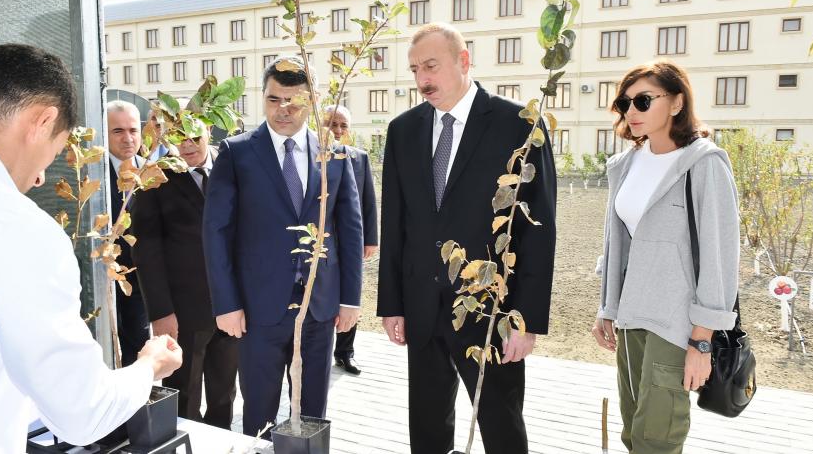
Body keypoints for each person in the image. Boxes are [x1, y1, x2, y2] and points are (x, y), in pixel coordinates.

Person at [0, 44, 182, 453]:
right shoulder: (16, 228)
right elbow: (83, 413)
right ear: (42, 120)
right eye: (56, 147)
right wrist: (149, 366)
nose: (44, 176)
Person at [376, 23, 557, 454]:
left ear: (464, 61)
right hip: (421, 308)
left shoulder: (519, 125)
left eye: (432, 66)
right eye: (415, 69)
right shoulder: (403, 130)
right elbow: (396, 223)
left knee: (501, 426)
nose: (422, 80)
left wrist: (525, 320)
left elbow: (539, 229)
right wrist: (392, 305)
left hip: (490, 311)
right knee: (427, 427)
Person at [204, 56, 363, 437]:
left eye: (293, 101)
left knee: (311, 416)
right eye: (274, 99)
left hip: (320, 308)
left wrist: (350, 299)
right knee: (257, 410)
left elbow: (350, 229)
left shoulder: (335, 154)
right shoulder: (236, 152)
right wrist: (227, 304)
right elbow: (216, 232)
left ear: (312, 101)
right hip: (257, 310)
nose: (282, 110)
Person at [591, 61, 740, 454]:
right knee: (632, 433)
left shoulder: (704, 164)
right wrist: (607, 307)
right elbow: (617, 244)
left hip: (676, 324)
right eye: (625, 103)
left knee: (657, 440)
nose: (632, 112)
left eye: (643, 101)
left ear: (676, 103)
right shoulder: (626, 166)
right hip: (630, 319)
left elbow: (720, 256)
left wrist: (702, 341)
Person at [131, 124, 239, 428]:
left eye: (195, 137)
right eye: (179, 138)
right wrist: (161, 312)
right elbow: (146, 251)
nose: (188, 145)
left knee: (224, 393)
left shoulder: (232, 165)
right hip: (183, 312)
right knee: (184, 396)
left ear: (208, 133)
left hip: (231, 307)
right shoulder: (155, 178)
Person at [322, 105, 378, 376]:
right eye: (332, 124)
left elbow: (368, 201)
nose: (338, 130)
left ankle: (345, 352)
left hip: (351, 242)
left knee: (350, 295)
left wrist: (371, 239)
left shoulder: (360, 157)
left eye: (343, 125)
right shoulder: (313, 156)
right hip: (320, 242)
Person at [105, 100, 150, 367]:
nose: (127, 138)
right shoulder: (91, 173)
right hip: (103, 285)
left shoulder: (155, 173)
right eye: (118, 131)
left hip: (142, 285)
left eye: (133, 130)